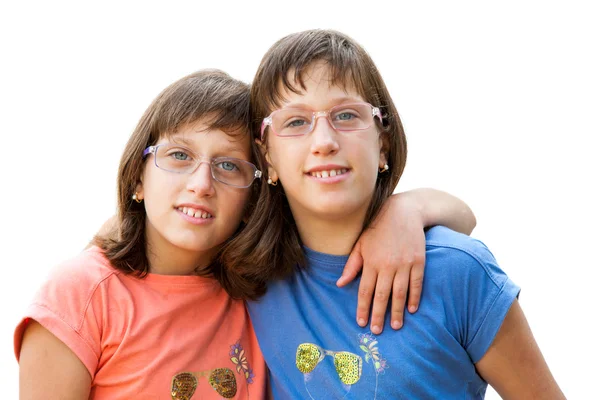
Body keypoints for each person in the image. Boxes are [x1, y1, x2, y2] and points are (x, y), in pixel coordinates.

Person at [14, 69, 475, 399]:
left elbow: (464, 217)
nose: (201, 183)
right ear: (138, 175)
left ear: (257, 190)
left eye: (229, 165)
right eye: (179, 156)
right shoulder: (80, 294)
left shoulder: (260, 285)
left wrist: (405, 207)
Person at [225, 29, 566, 399]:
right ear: (268, 156)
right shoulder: (247, 278)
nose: (324, 142)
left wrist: (410, 206)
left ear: (382, 142)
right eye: (295, 122)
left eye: (346, 115)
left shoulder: (460, 273)